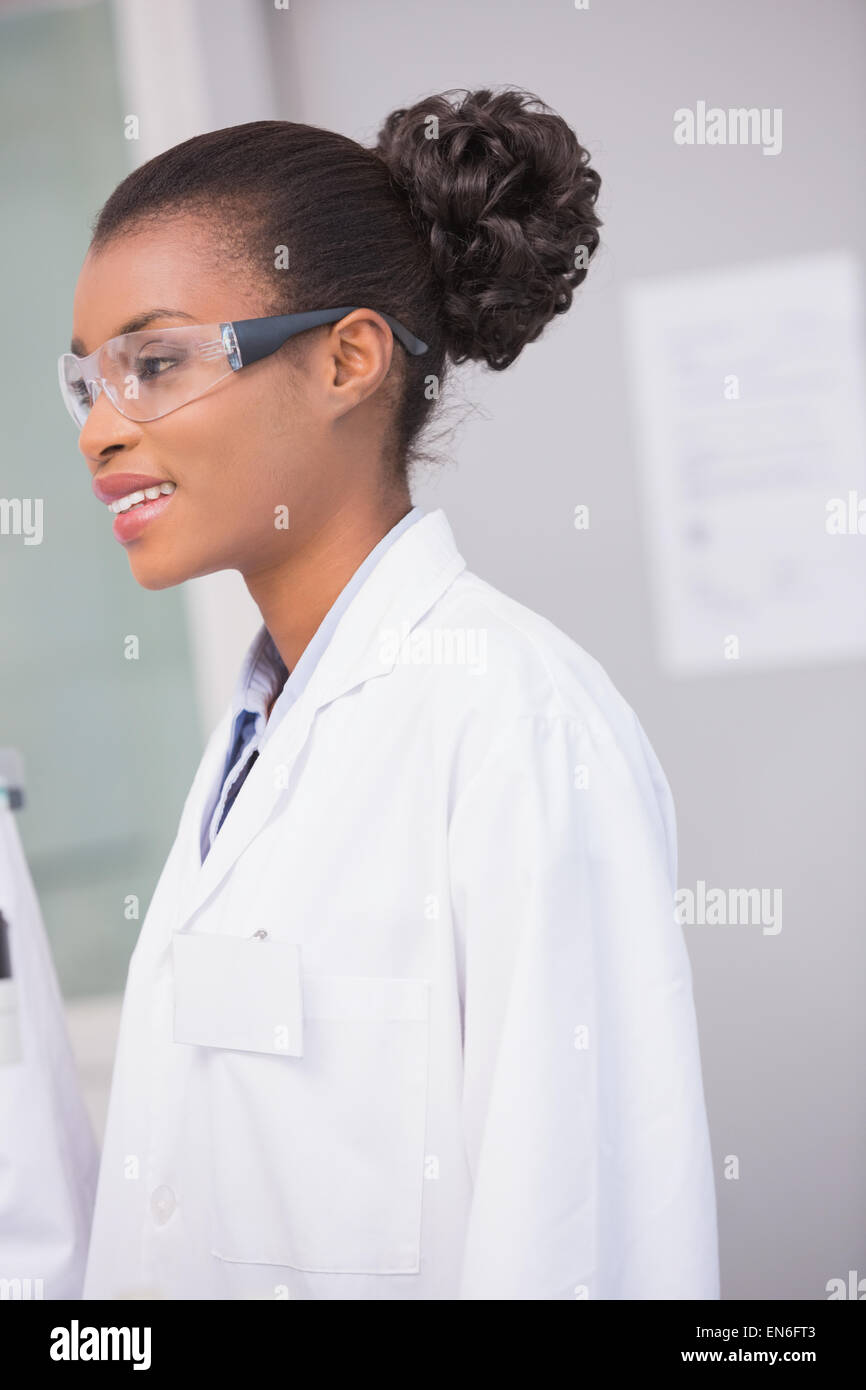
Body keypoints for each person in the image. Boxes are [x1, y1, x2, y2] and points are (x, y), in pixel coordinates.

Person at [59, 87, 719, 1300]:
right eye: (88, 383)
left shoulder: (514, 726)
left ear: (347, 360)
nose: (101, 430)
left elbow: (583, 1241)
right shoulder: (260, 740)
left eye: (151, 364)